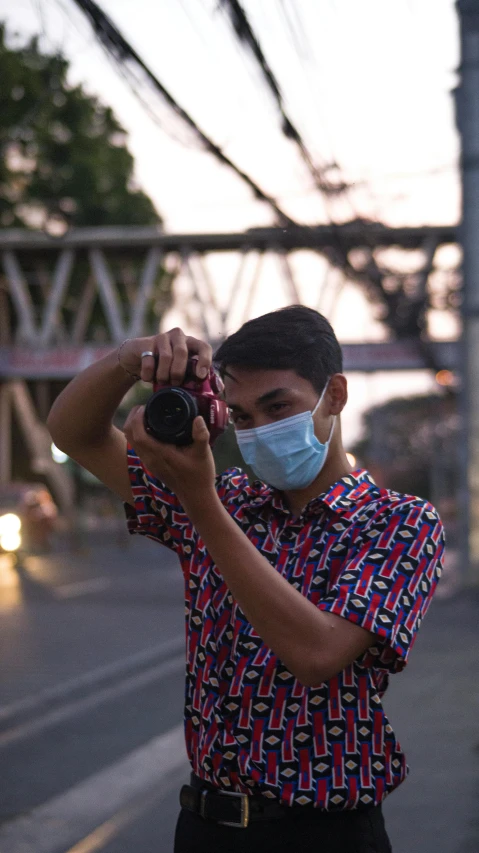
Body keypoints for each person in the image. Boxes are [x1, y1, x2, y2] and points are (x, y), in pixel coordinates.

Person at [47, 305, 445, 853]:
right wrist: (127, 360)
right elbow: (75, 433)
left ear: (335, 396)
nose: (260, 430)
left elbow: (315, 652)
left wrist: (201, 504)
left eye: (278, 406)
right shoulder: (231, 496)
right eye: (243, 416)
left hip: (325, 834)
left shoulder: (399, 521)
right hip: (206, 826)